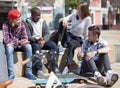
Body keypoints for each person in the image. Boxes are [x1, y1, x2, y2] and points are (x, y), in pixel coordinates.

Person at [24, 7, 59, 78]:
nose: (38, 17)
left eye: (39, 15)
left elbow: (47, 34)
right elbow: (28, 36)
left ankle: (54, 67)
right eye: (36, 15)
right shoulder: (27, 22)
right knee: (37, 49)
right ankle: (38, 70)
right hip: (33, 41)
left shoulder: (43, 21)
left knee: (54, 46)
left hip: (43, 40)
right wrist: (35, 39)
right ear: (32, 15)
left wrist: (44, 40)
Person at [57, 2, 92, 75]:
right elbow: (63, 19)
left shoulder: (87, 19)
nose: (77, 10)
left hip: (77, 38)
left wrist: (83, 47)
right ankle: (59, 43)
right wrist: (64, 20)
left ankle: (67, 67)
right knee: (61, 22)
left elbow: (86, 34)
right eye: (77, 8)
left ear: (84, 10)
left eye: (79, 9)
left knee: (71, 45)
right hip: (69, 35)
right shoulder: (74, 14)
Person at [2, 9, 37, 80]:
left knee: (29, 46)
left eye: (19, 19)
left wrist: (20, 42)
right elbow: (6, 40)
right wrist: (18, 42)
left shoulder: (22, 24)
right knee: (9, 48)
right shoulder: (5, 25)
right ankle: (11, 73)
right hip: (11, 46)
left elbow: (25, 37)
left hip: (19, 44)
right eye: (17, 20)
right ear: (12, 20)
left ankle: (28, 72)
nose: (19, 21)